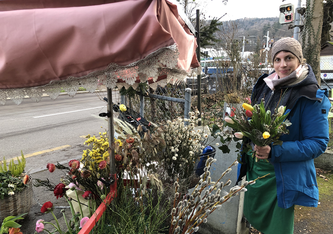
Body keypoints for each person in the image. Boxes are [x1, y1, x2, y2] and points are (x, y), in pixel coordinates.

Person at [238, 37, 331, 234]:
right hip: (255, 168)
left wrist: (274, 151)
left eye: (289, 58)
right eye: (277, 59)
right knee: (252, 217)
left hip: (282, 175)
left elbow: (318, 143)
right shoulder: (265, 86)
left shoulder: (311, 95)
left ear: (300, 60)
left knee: (278, 228)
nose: (283, 65)